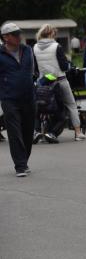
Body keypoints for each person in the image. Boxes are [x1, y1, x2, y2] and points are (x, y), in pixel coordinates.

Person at [33, 24, 86, 142]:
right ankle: (78, 133)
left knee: (40, 106)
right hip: (59, 80)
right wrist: (69, 66)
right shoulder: (56, 46)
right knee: (71, 104)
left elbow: (36, 69)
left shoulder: (35, 47)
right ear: (51, 33)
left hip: (43, 82)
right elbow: (64, 66)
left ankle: (37, 132)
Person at [0, 23, 36, 177]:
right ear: (5, 37)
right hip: (9, 99)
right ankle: (20, 166)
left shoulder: (27, 50)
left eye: (19, 33)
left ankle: (24, 160)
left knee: (28, 132)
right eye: (15, 34)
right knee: (15, 133)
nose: (19, 36)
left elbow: (34, 71)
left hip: (28, 97)